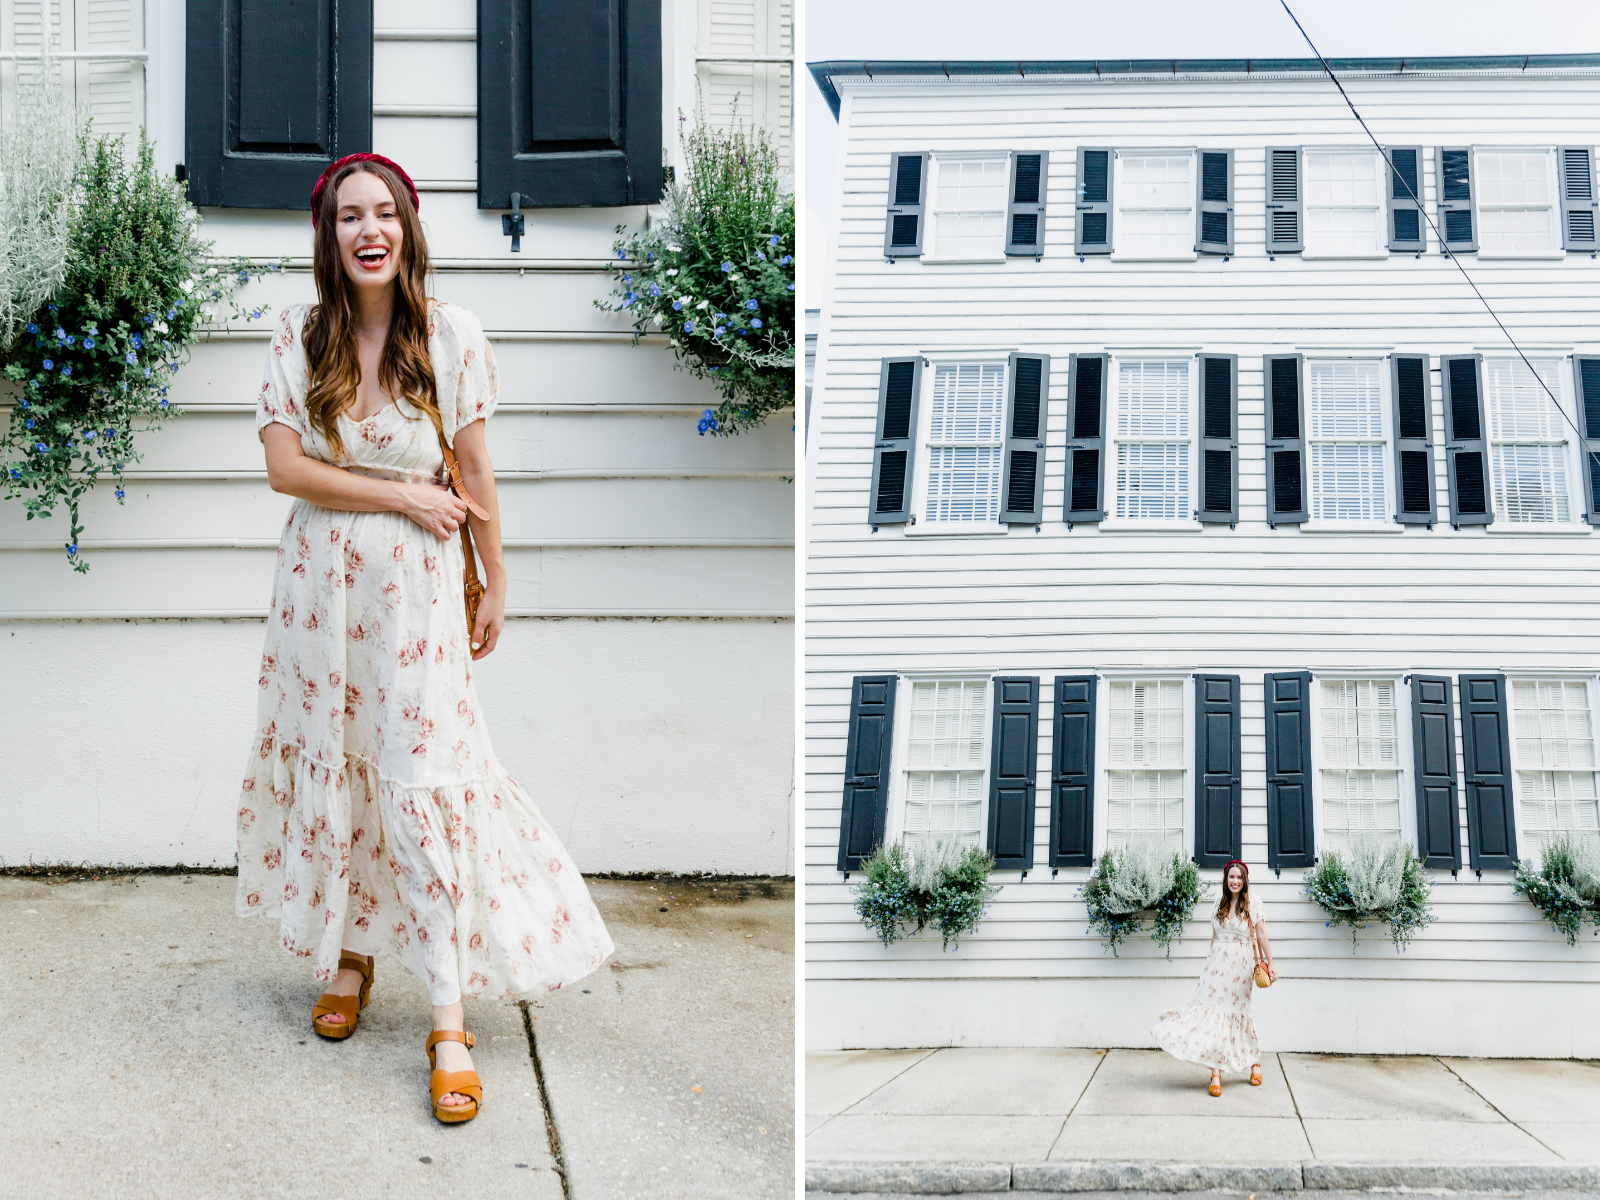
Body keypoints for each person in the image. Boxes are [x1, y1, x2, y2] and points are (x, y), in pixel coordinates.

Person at [234, 152, 614, 1124]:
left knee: (421, 774)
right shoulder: (297, 333)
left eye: (385, 215)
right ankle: (352, 955)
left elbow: (476, 474)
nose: (369, 230)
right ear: (328, 237)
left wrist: (493, 581)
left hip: (416, 600)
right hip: (318, 600)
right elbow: (286, 470)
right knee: (345, 764)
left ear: (406, 231)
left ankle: (448, 1015)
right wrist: (401, 490)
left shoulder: (451, 337)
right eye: (350, 216)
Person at [1151, 859, 1276, 1095]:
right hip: (1217, 965)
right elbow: (1214, 938)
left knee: (1239, 1014)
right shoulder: (1219, 903)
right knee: (1210, 1014)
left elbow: (1261, 933)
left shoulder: (1253, 902)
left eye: (1239, 877)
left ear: (1245, 880)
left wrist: (1270, 963)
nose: (1235, 881)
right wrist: (1208, 966)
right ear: (1226, 880)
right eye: (1231, 877)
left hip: (1241, 965)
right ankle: (1215, 1072)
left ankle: (1254, 1062)